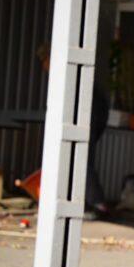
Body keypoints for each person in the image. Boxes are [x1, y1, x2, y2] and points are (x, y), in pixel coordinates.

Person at [36, 42, 110, 219]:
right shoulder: (66, 73)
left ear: (50, 59)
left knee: (82, 159)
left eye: (45, 62)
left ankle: (97, 204)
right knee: (78, 159)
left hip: (90, 116)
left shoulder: (67, 73)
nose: (44, 68)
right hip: (92, 116)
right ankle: (84, 202)